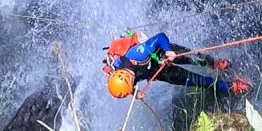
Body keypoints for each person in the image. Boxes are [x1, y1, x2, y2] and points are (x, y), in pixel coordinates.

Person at [102, 31, 252, 99]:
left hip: (161, 53)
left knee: (194, 59)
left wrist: (168, 51)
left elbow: (160, 37)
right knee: (196, 81)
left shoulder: (137, 55)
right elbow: (130, 88)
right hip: (159, 72)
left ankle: (214, 64)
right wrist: (136, 94)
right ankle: (231, 86)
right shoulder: (122, 79)